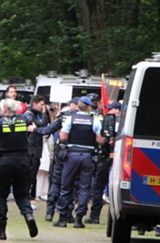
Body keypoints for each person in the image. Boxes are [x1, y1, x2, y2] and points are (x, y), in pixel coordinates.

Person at [0, 98, 38, 240]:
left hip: (5, 160)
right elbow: (31, 120)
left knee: (0, 195)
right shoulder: (24, 120)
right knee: (22, 193)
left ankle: (0, 229)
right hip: (23, 161)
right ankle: (28, 215)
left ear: (4, 109)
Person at [54, 96, 104, 228]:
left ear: (78, 106)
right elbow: (101, 140)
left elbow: (63, 137)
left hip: (72, 155)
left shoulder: (71, 118)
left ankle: (62, 218)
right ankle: (79, 219)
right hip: (87, 157)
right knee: (84, 188)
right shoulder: (95, 121)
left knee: (66, 186)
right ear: (88, 107)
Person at [37, 98, 78, 222]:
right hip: (76, 155)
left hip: (62, 153)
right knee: (71, 185)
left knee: (55, 183)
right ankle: (68, 213)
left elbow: (47, 130)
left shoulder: (64, 117)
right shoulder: (90, 119)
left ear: (74, 105)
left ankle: (49, 213)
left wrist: (34, 129)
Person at [87, 101, 121, 224]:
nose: (109, 111)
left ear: (118, 110)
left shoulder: (111, 122)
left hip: (108, 157)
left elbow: (104, 140)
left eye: (111, 109)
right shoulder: (127, 123)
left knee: (99, 186)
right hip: (116, 158)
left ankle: (95, 216)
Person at [27, 95, 51, 200]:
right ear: (34, 104)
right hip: (31, 148)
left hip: (36, 147)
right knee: (31, 172)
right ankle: (26, 193)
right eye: (41, 105)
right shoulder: (29, 115)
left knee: (34, 171)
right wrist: (45, 113)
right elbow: (43, 124)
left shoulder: (38, 114)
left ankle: (32, 193)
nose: (43, 107)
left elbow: (46, 126)